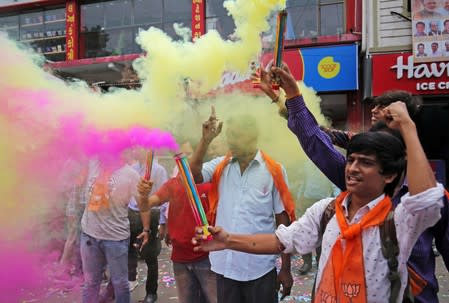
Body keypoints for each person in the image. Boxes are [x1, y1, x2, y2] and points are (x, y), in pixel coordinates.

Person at [194, 109, 445, 302]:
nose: (353, 168)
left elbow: (427, 200)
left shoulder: (399, 220)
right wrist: (227, 240)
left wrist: (408, 127)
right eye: (351, 160)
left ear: (389, 175)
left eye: (365, 163)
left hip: (258, 274)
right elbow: (282, 240)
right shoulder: (326, 211)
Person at [254, 64, 449, 303]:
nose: (354, 168)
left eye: (386, 115)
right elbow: (317, 137)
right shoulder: (355, 185)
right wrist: (285, 97)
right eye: (353, 159)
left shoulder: (428, 198)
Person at [188, 107, 295, 303]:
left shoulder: (275, 170)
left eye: (237, 136)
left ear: (252, 136)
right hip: (225, 266)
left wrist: (285, 268)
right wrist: (206, 139)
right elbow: (193, 175)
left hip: (260, 268)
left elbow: (283, 221)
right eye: (229, 135)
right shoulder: (221, 165)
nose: (231, 141)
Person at [137, 172, 217, 303]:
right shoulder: (173, 184)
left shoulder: (211, 183)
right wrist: (143, 195)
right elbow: (146, 205)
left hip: (208, 258)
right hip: (180, 258)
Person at [80, 156, 151, 303]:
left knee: (120, 284)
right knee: (90, 283)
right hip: (89, 235)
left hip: (116, 239)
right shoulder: (94, 162)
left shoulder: (130, 174)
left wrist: (146, 228)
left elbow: (143, 205)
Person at [127, 148, 168, 303]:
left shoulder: (159, 170)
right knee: (129, 250)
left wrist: (163, 223)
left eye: (139, 146)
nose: (135, 149)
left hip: (151, 214)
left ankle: (151, 293)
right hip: (132, 213)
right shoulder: (131, 169)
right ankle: (130, 280)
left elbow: (164, 196)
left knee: (150, 256)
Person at [295, 159, 340, 275]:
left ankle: (321, 260)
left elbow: (334, 184)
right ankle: (306, 262)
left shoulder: (328, 164)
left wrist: (338, 201)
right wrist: (300, 196)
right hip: (307, 200)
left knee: (321, 233)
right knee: (305, 232)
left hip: (323, 203)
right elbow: (304, 181)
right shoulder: (306, 163)